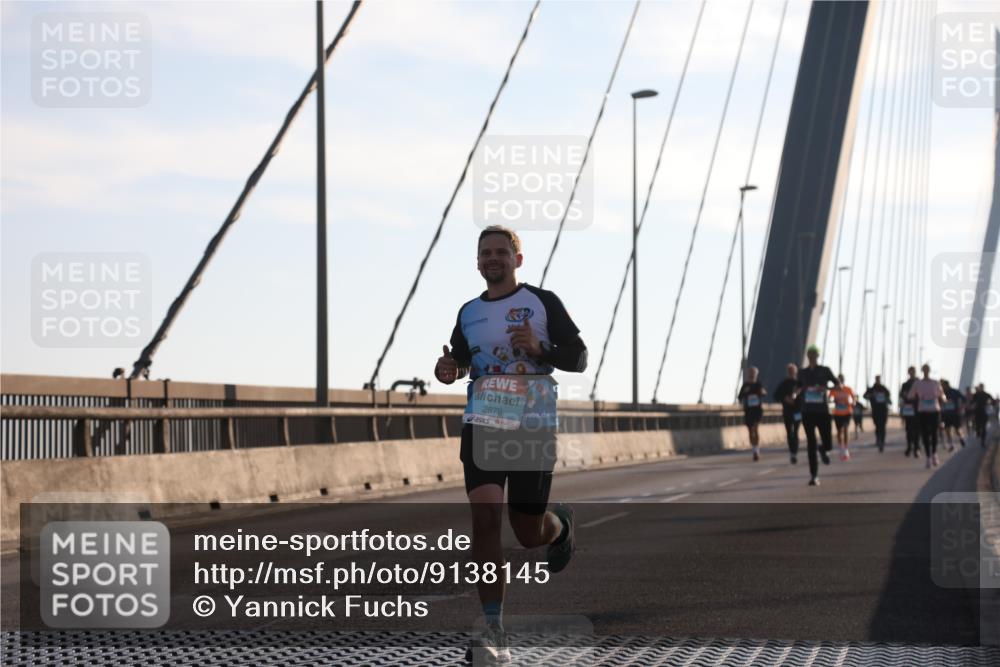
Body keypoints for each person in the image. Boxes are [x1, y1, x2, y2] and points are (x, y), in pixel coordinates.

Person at [435, 225, 587, 663]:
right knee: (484, 519)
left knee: (526, 531)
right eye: (486, 253)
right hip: (484, 419)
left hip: (532, 420)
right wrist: (451, 366)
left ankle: (559, 526)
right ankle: (494, 627)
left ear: (517, 260)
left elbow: (578, 357)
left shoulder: (542, 302)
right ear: (478, 262)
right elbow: (463, 360)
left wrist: (541, 346)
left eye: (502, 252)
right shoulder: (468, 312)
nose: (493, 259)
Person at [795, 345, 838, 486]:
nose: (812, 356)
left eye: (814, 354)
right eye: (810, 354)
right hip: (807, 411)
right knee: (810, 444)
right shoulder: (802, 373)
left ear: (818, 356)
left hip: (822, 411)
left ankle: (824, 449)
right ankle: (814, 475)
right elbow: (797, 387)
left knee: (828, 443)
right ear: (807, 356)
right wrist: (795, 393)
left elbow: (838, 385)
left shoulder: (825, 371)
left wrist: (826, 388)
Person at [907, 364, 945, 468]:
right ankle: (928, 457)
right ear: (922, 371)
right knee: (924, 434)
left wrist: (941, 398)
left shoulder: (935, 383)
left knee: (934, 433)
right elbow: (910, 395)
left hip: (934, 410)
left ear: (930, 370)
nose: (926, 371)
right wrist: (918, 397)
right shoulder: (917, 383)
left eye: (927, 369)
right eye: (924, 369)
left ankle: (934, 454)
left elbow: (942, 395)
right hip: (923, 411)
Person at [772, 364, 801, 464]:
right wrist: (785, 399)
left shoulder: (799, 384)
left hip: (797, 411)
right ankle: (792, 453)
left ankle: (795, 452)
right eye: (789, 371)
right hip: (787, 411)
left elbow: (806, 396)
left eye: (792, 371)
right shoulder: (783, 384)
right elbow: (775, 396)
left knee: (796, 432)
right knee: (789, 433)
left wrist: (797, 398)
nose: (791, 373)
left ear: (795, 372)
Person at [738, 367, 767, 461]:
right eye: (750, 372)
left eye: (753, 373)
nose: (752, 374)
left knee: (756, 428)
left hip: (757, 410)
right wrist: (744, 392)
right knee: (751, 431)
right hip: (748, 410)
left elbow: (764, 393)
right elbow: (740, 397)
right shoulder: (745, 385)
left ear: (756, 374)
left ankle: (756, 450)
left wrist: (762, 392)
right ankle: (754, 447)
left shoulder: (759, 384)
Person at [830, 374, 856, 461]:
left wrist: (853, 402)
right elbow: (829, 398)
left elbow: (853, 398)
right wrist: (834, 400)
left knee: (845, 429)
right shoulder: (834, 390)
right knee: (839, 431)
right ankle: (841, 447)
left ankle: (845, 448)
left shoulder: (848, 389)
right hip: (837, 413)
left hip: (847, 412)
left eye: (841, 380)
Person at [863, 375, 892, 452]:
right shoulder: (871, 389)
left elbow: (888, 396)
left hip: (883, 410)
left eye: (879, 379)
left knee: (882, 425)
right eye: (877, 379)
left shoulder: (884, 389)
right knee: (877, 425)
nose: (878, 380)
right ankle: (878, 439)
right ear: (875, 380)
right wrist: (871, 395)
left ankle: (882, 441)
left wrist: (886, 399)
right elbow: (865, 396)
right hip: (875, 410)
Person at [939, 379, 966, 450]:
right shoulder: (941, 392)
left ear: (947, 385)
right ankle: (951, 444)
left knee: (957, 429)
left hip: (955, 413)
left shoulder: (955, 391)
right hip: (946, 414)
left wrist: (961, 407)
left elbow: (964, 399)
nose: (942, 386)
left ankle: (961, 438)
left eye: (943, 385)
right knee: (947, 430)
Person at [899, 367, 920, 458]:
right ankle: (909, 447)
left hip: (918, 408)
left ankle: (916, 448)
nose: (911, 373)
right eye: (910, 371)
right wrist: (902, 410)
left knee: (917, 429)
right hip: (908, 409)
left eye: (913, 371)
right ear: (908, 372)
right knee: (908, 429)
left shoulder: (920, 383)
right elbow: (901, 397)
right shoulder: (905, 384)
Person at [971, 384, 995, 448]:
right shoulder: (976, 394)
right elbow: (972, 402)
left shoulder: (986, 394)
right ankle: (978, 433)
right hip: (978, 412)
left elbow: (993, 401)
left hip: (984, 412)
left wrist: (989, 404)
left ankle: (982, 441)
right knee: (978, 425)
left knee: (983, 427)